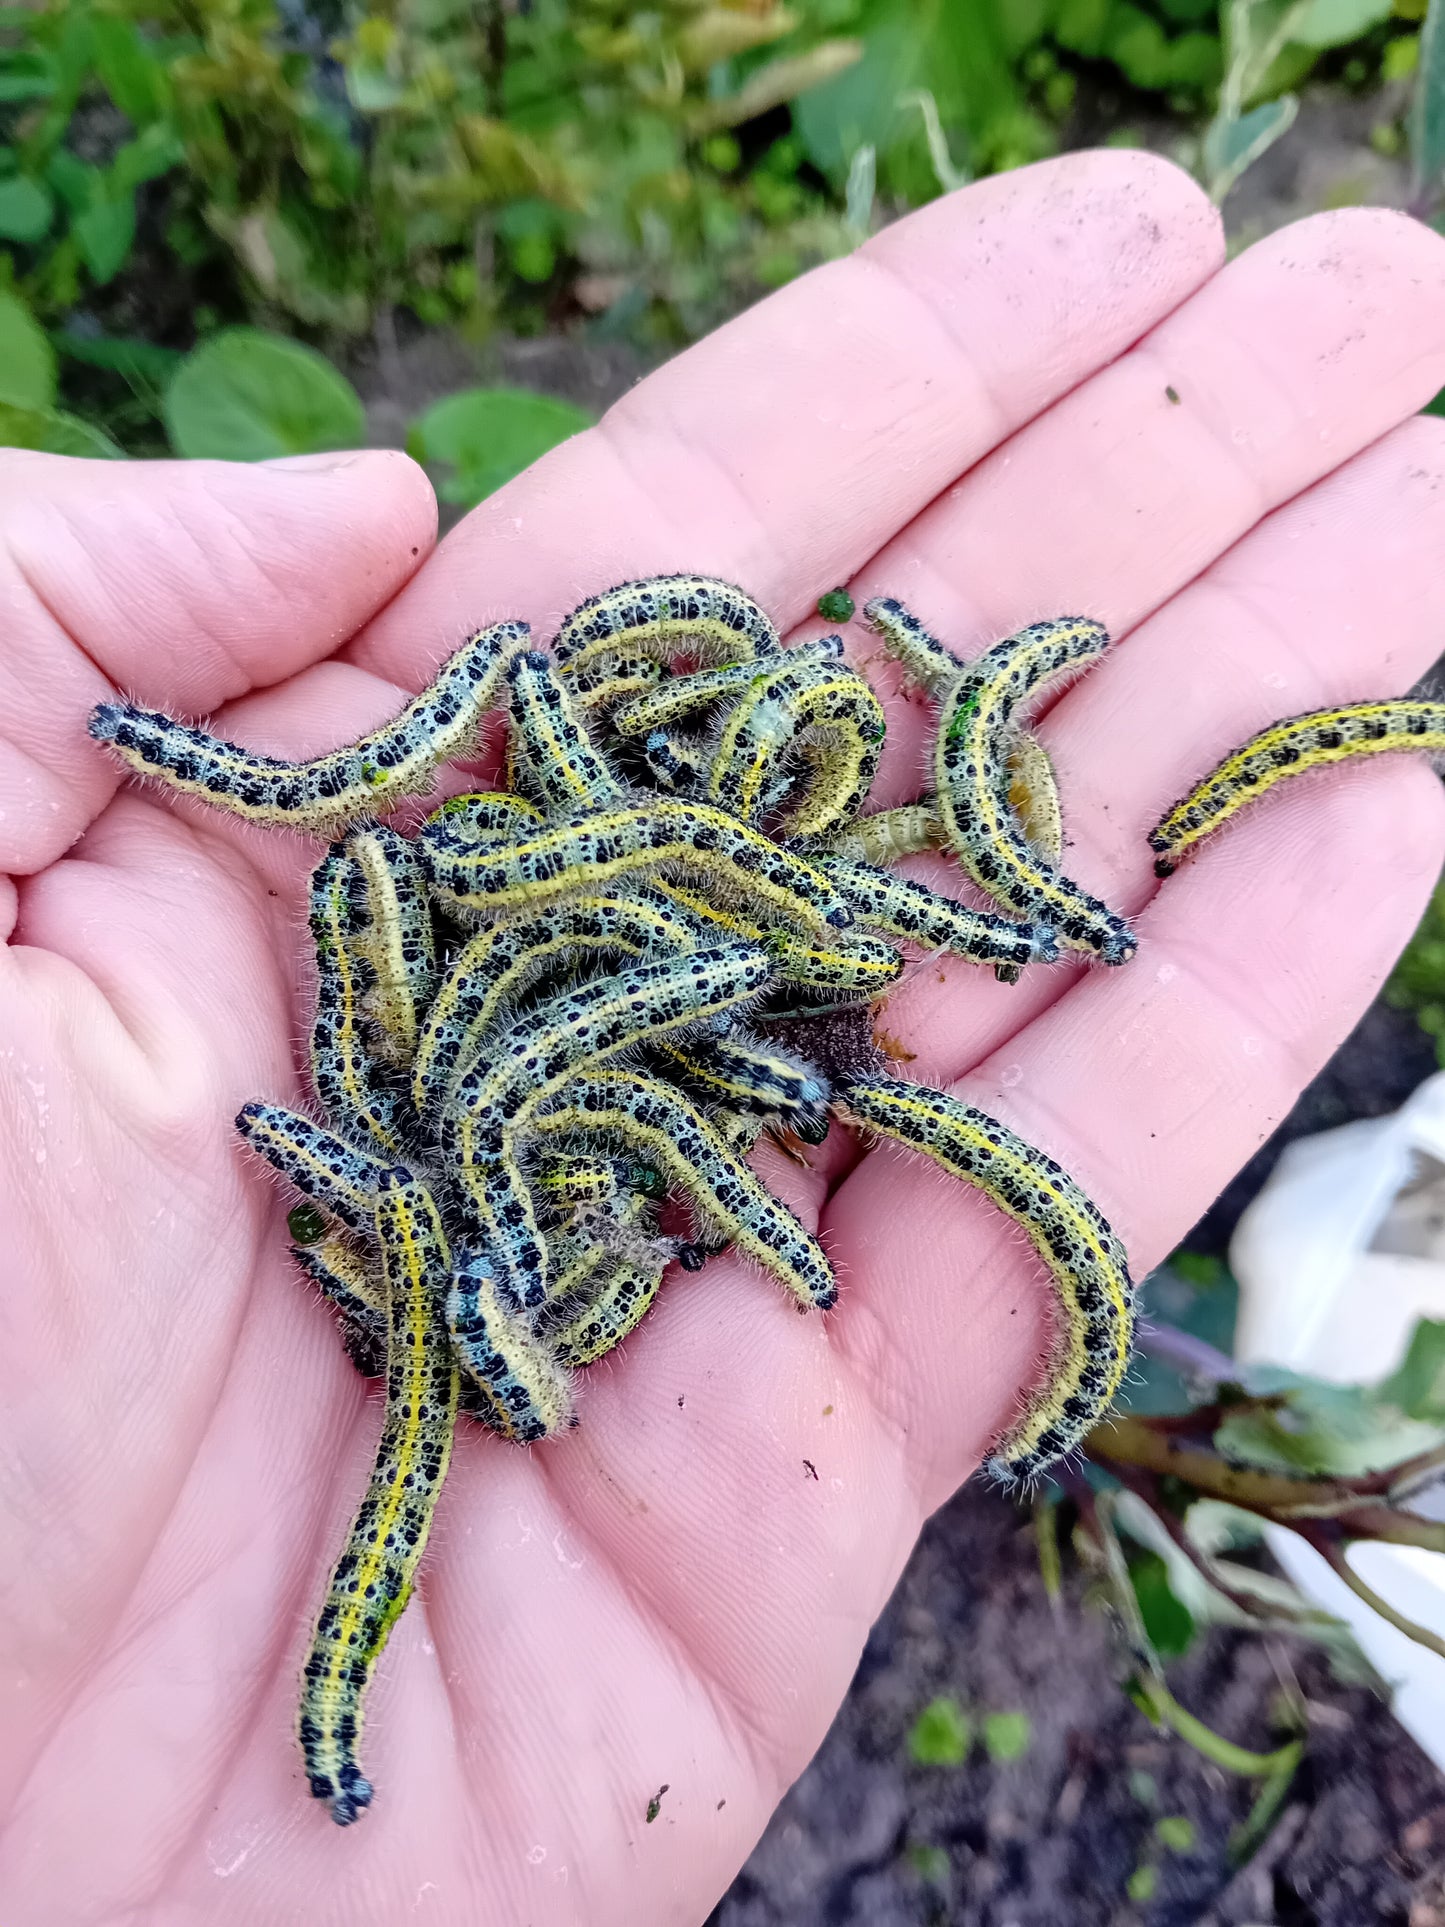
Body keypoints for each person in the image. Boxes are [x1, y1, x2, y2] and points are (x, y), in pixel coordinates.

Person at [2, 148, 1443, 1925]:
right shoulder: (503, 1070)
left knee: (657, 1053)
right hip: (568, 1034)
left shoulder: (678, 945)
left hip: (624, 1004)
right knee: (612, 1075)